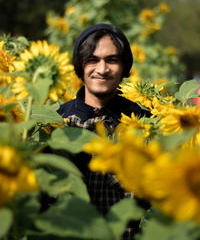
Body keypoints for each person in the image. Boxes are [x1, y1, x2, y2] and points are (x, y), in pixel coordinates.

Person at [57, 23, 150, 239]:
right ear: (80, 65)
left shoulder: (145, 123)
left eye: (112, 60)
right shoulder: (57, 121)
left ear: (124, 67)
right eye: (92, 60)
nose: (102, 69)